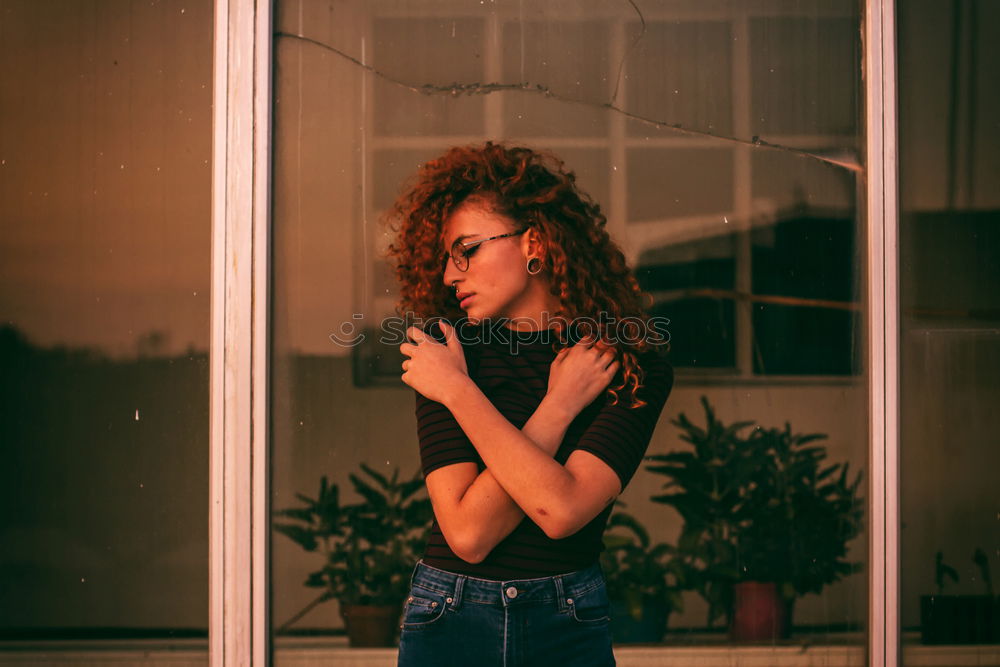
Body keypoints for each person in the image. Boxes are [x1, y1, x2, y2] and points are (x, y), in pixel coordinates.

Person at [385, 141, 674, 667]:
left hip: (567, 619)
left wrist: (462, 392)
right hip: (451, 615)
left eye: (465, 250)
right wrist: (556, 406)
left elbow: (561, 512)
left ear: (534, 242)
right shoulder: (447, 354)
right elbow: (469, 534)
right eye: (447, 259)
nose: (451, 276)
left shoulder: (628, 364)